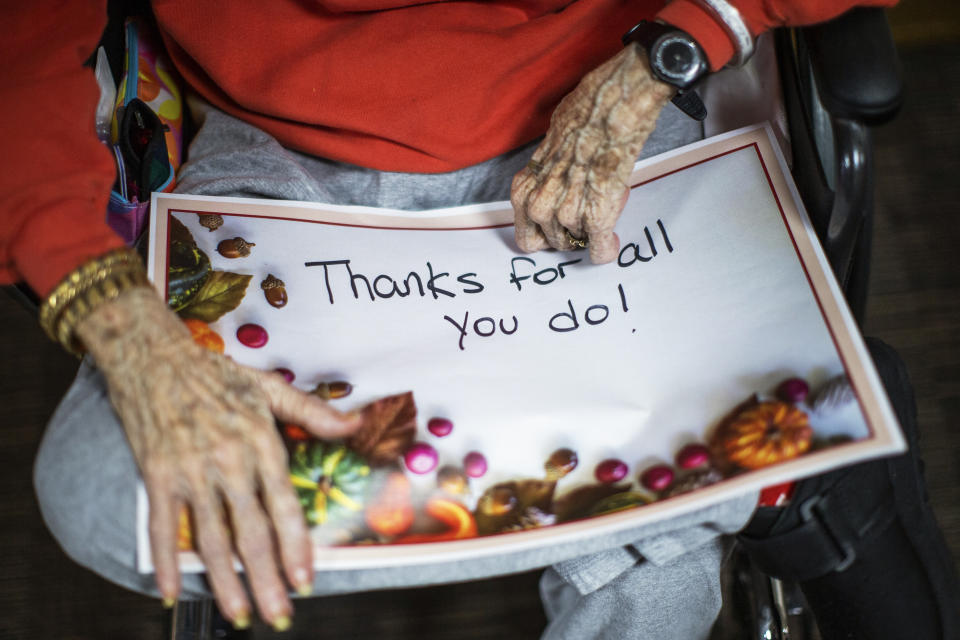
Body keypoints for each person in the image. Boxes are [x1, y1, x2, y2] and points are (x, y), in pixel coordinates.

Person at [9, 2, 955, 639]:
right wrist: (118, 317)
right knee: (105, 490)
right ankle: (783, 480)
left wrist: (682, 42)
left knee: (655, 578)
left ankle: (757, 474)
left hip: (598, 107)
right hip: (274, 151)